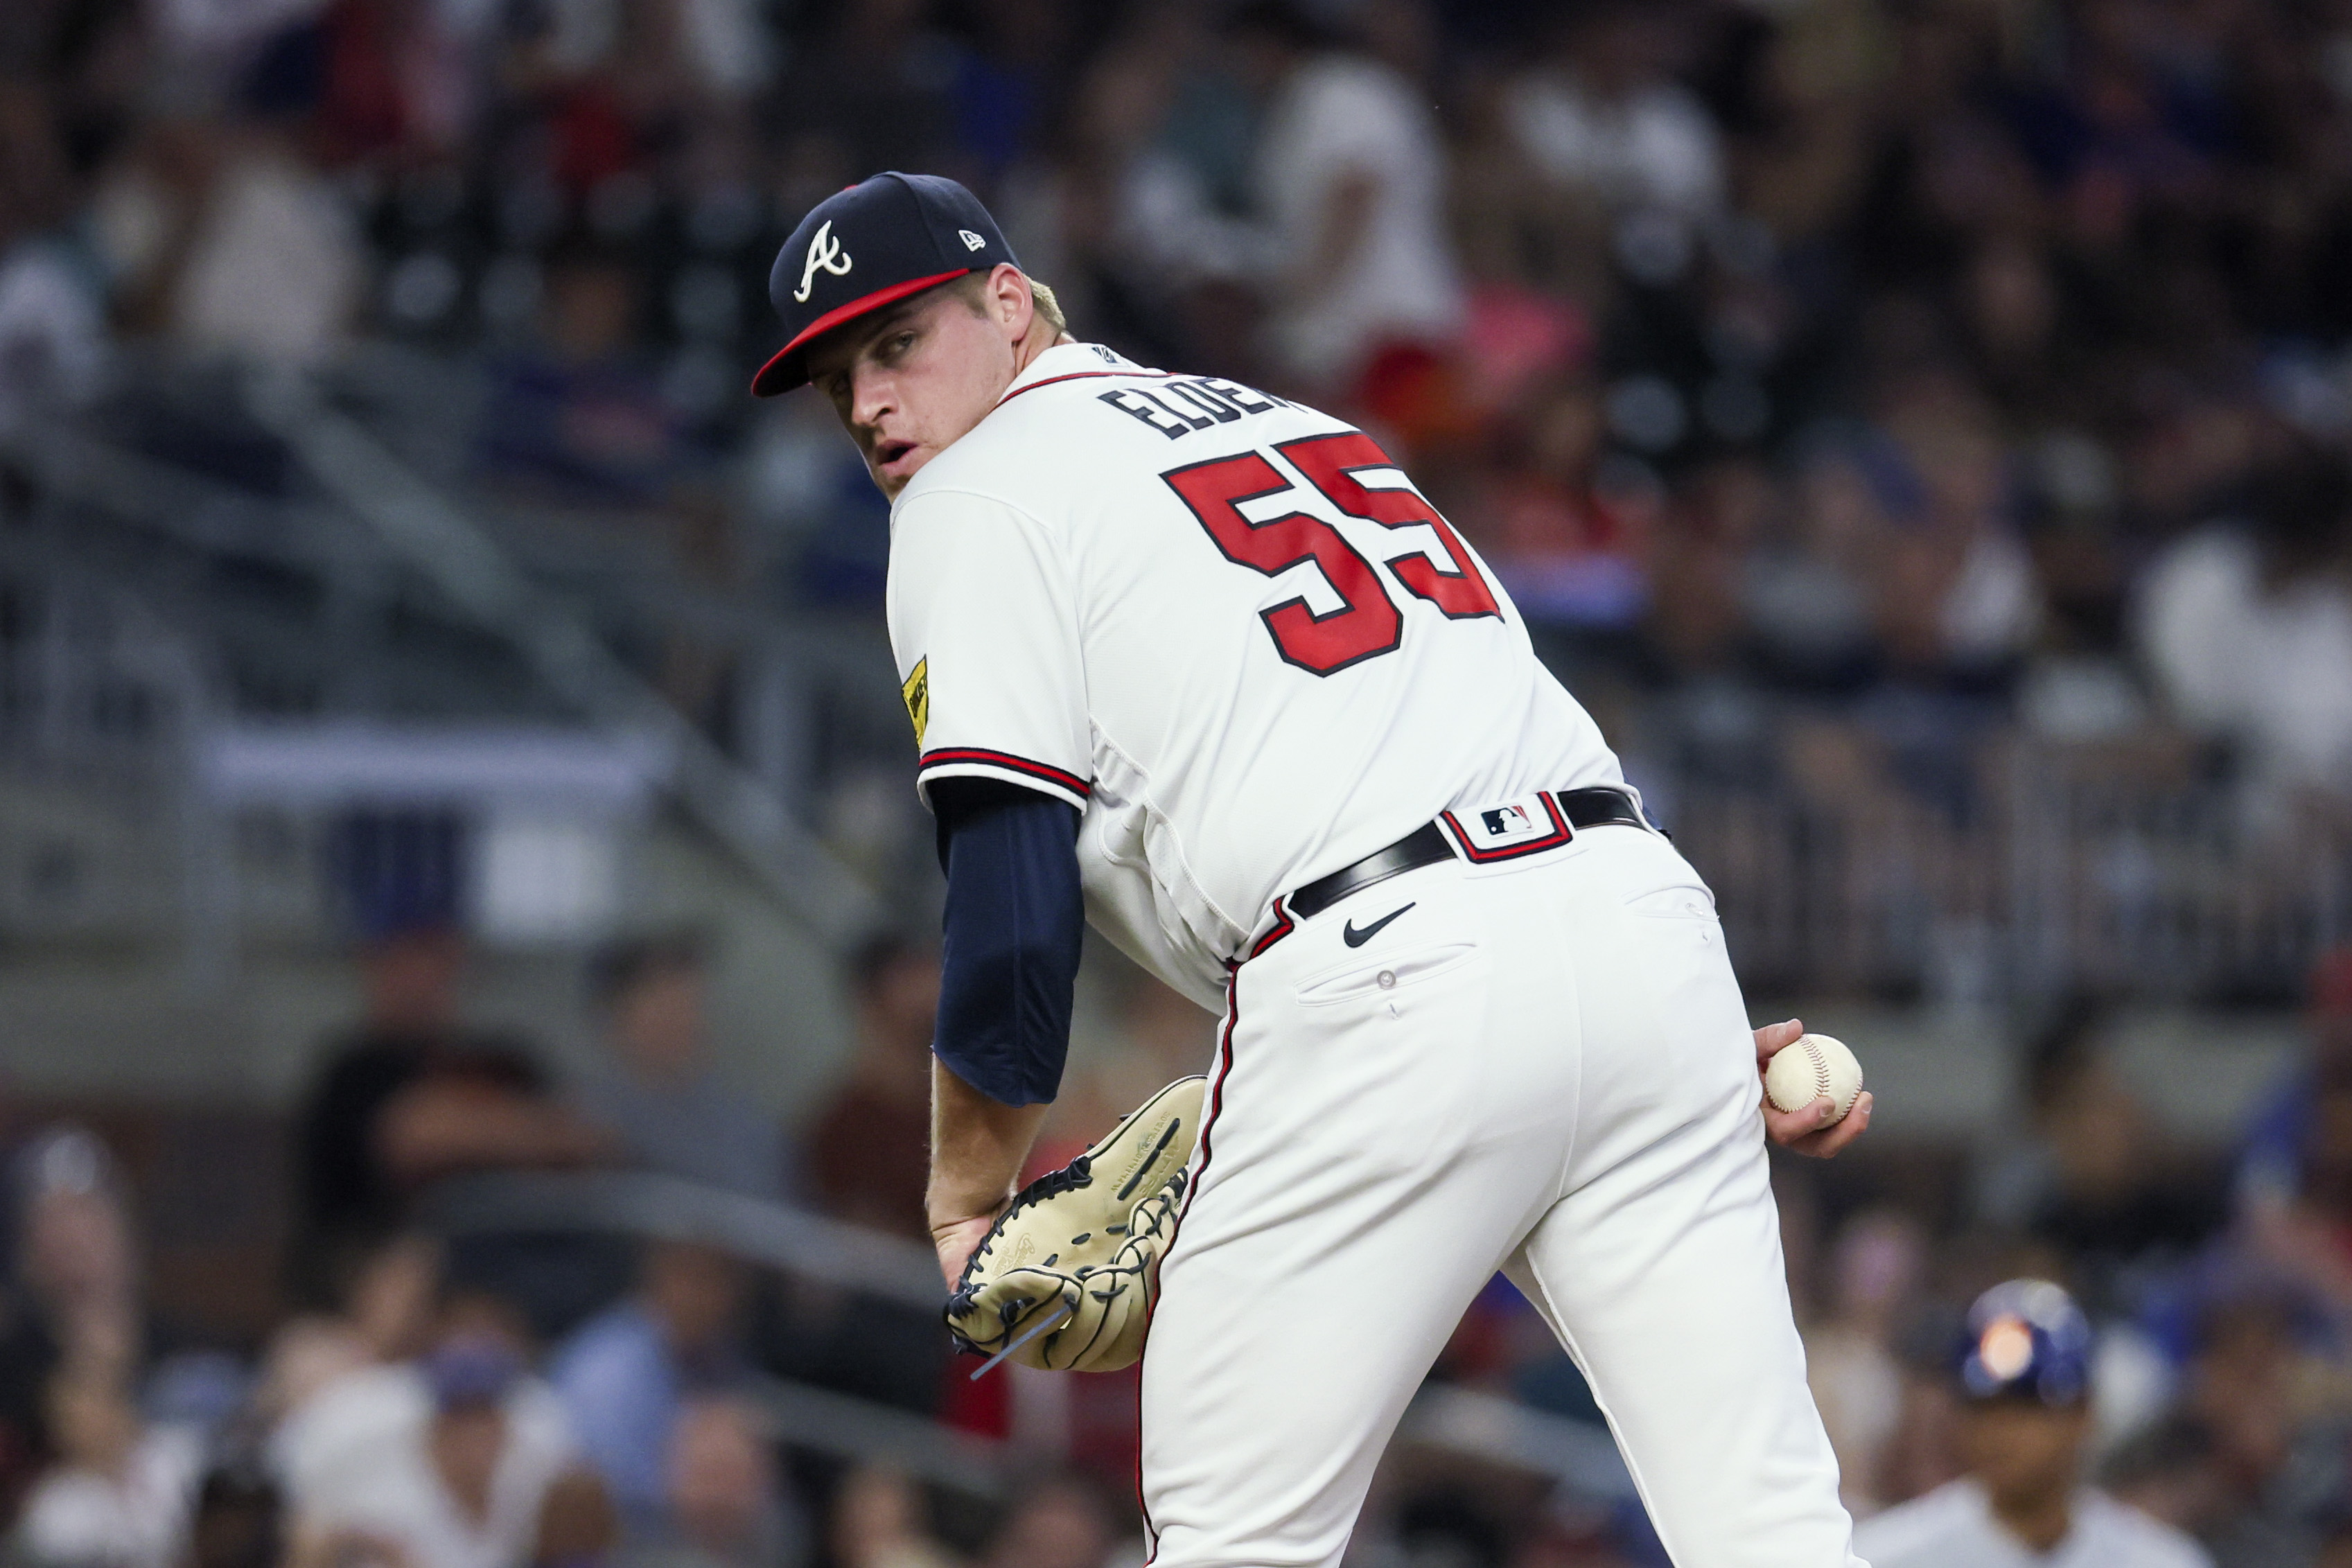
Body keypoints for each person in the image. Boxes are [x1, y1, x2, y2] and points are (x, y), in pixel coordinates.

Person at [748, 170, 1872, 1568]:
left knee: (1237, 1542)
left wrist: (966, 1199)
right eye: (833, 378)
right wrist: (1659, 1036)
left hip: (1388, 972)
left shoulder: (972, 494)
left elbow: (1008, 901)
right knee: (1769, 1529)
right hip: (1640, 922)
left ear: (1011, 303)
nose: (867, 405)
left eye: (895, 345)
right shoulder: (1292, 423)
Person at [1854, 1279, 2211, 1568]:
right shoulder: (1882, 1557)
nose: (2001, 1432)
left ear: (2083, 1414)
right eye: (1985, 1407)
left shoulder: (2161, 1560)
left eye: (2028, 1408)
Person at [574, 935, 787, 1202]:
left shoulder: (741, 1117)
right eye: (660, 1001)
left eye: (688, 1002)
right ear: (614, 1015)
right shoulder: (584, 1119)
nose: (680, 1018)